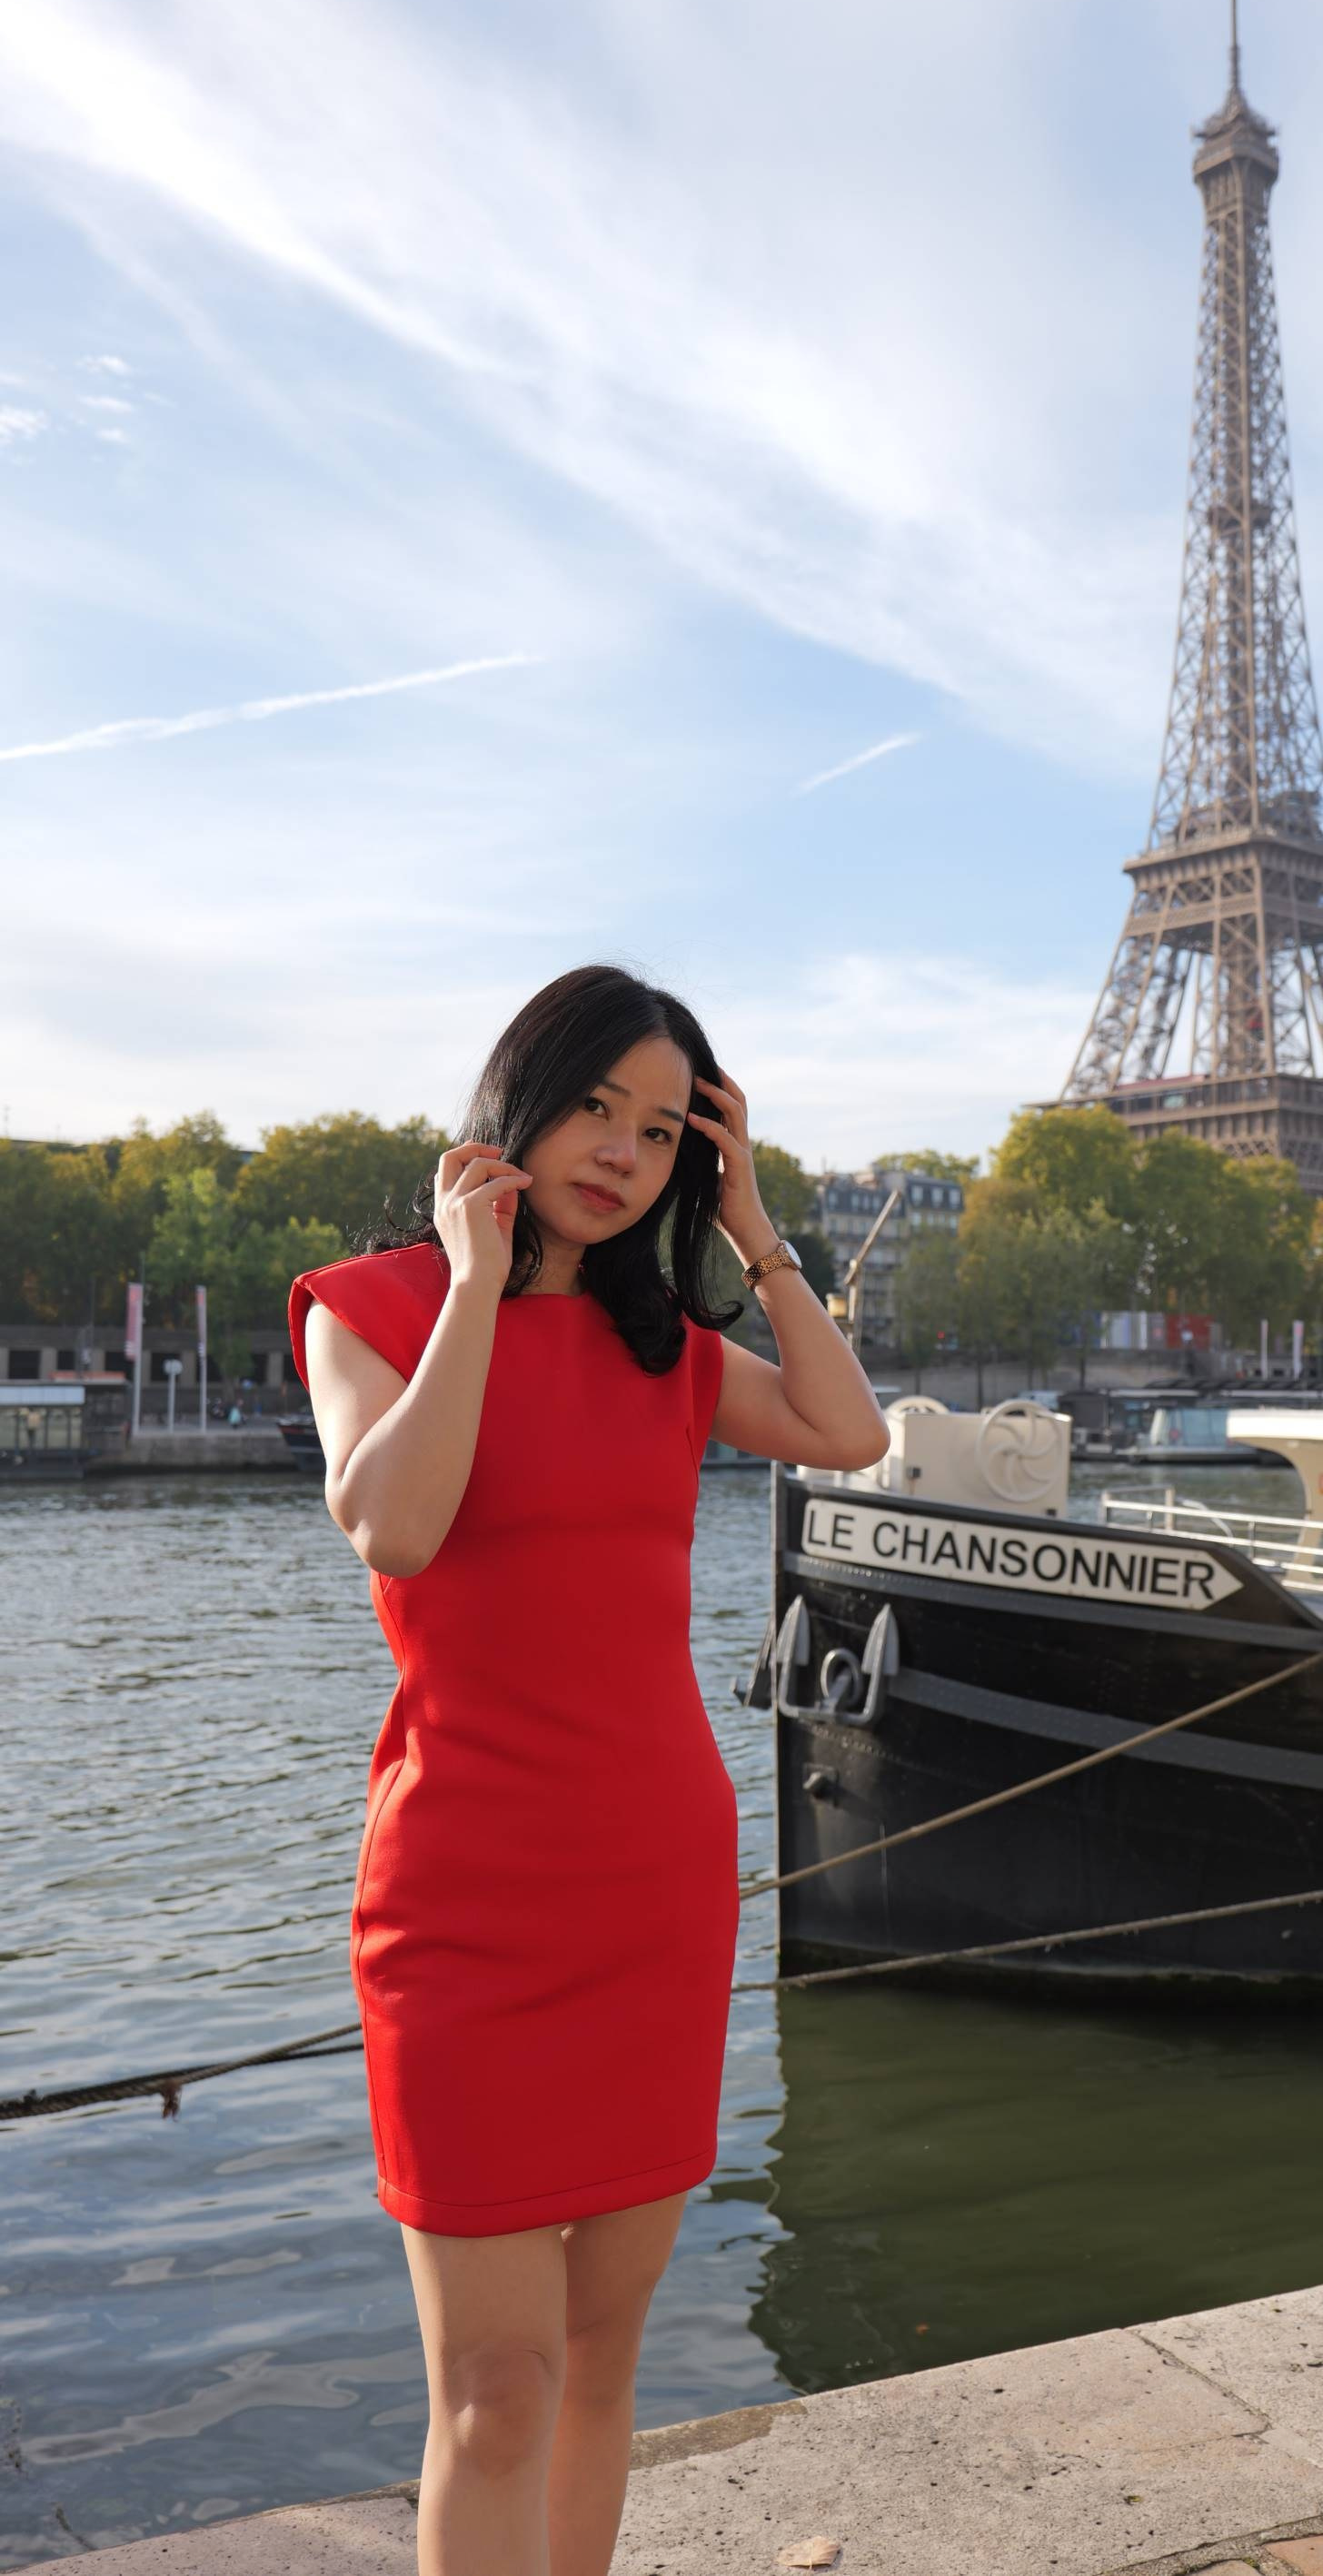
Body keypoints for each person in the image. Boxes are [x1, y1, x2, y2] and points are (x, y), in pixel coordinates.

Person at [286, 965, 887, 2576]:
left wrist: (754, 1230)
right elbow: (395, 1523)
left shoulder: (666, 1350)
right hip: (464, 1905)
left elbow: (850, 1434)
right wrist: (479, 1282)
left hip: (651, 1891)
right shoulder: (372, 1308)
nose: (620, 1151)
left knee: (602, 2367)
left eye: (659, 1130)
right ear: (517, 1096)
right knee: (493, 2388)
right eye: (594, 1107)